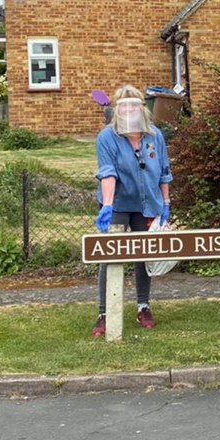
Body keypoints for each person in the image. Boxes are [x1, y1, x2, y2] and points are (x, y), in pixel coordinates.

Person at [92, 84, 173, 337]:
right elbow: (108, 173)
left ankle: (143, 306)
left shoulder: (154, 136)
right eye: (124, 106)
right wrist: (107, 205)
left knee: (143, 255)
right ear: (117, 110)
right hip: (117, 204)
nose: (129, 110)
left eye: (134, 105)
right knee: (110, 257)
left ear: (143, 109)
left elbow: (163, 172)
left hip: (147, 204)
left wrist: (166, 204)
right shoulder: (107, 137)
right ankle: (105, 313)